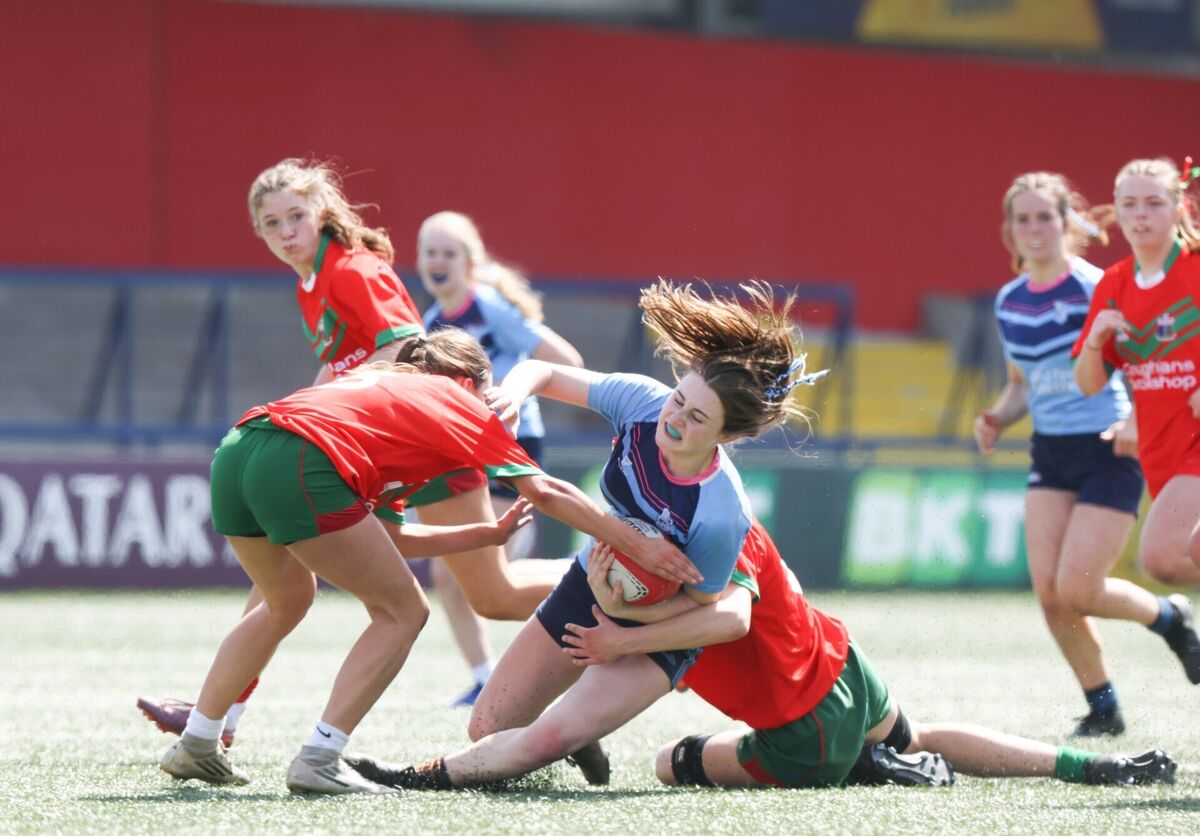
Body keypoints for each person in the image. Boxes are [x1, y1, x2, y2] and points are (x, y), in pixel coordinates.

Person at [156, 329, 695, 794]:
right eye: (489, 392)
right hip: (300, 456)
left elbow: (387, 536)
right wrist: (635, 542)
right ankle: (320, 758)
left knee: (286, 602)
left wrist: (486, 533)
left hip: (239, 449)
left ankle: (198, 742)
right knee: (403, 613)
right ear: (473, 380)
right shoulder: (457, 398)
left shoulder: (387, 397)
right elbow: (547, 490)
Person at [137, 161, 568, 741]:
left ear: (323, 214)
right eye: (272, 223)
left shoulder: (351, 268)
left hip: (417, 436)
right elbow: (342, 364)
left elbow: (404, 345)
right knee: (283, 582)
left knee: (495, 594)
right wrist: (305, 414)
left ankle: (614, 589)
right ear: (258, 233)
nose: (287, 231)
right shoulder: (310, 283)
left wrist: (333, 408)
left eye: (296, 216)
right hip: (367, 447)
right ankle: (222, 716)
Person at [340, 280, 818, 790]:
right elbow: (542, 369)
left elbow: (713, 611)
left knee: (543, 740)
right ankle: (580, 733)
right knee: (487, 727)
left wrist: (627, 628)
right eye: (679, 399)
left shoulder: (722, 512)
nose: (674, 417)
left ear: (728, 436)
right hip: (591, 583)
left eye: (697, 416)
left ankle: (419, 776)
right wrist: (515, 394)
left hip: (658, 635)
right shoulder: (644, 402)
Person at [557, 523, 1177, 790]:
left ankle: (867, 769)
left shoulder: (669, 575)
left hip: (802, 734)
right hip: (843, 666)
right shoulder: (732, 520)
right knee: (919, 734)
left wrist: (623, 621)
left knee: (671, 762)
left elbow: (718, 621)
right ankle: (1090, 767)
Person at [973, 172, 1196, 737]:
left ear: (1066, 222)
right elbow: (1023, 381)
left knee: (1080, 587)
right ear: (1009, 231)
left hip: (1108, 445)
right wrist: (999, 415)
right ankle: (1103, 707)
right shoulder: (1009, 300)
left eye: (1044, 216)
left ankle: (1169, 618)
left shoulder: (1099, 283)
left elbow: (1145, 362)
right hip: (1050, 450)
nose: (1034, 229)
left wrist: (1134, 418)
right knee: (1050, 593)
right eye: (1022, 219)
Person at [416, 210, 584, 707]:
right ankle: (486, 675)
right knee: (450, 574)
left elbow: (565, 361)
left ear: (470, 262)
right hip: (467, 450)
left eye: (449, 253)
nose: (438, 261)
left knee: (491, 577)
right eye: (430, 252)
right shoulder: (429, 325)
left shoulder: (490, 308)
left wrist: (514, 394)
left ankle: (592, 601)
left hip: (512, 444)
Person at [1073, 157, 1200, 680]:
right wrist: (1098, 337)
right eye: (1130, 204)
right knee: (1172, 559)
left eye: (1154, 203)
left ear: (1178, 207)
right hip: (1162, 451)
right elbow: (1089, 383)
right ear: (1117, 213)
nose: (1141, 215)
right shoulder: (1115, 284)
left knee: (1168, 554)